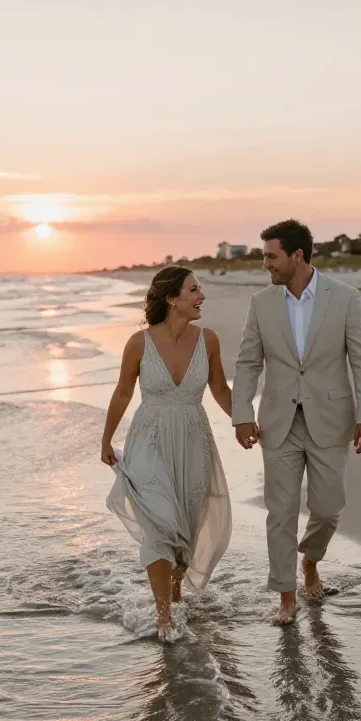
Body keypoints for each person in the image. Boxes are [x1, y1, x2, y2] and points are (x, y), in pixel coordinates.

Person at [232, 220, 361, 626]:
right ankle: (286, 595)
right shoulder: (261, 303)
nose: (265, 264)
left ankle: (310, 559)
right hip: (277, 420)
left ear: (297, 256)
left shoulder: (344, 298)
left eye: (271, 256)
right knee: (280, 511)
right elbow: (248, 362)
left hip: (331, 418)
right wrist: (241, 413)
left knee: (329, 508)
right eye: (264, 256)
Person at [102, 266, 234, 640]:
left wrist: (246, 420)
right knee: (159, 524)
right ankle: (163, 617)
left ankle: (175, 595)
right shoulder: (138, 342)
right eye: (194, 290)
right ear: (172, 298)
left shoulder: (208, 340)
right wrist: (105, 439)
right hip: (149, 439)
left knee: (186, 527)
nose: (201, 296)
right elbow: (123, 393)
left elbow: (221, 390)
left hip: (194, 439)